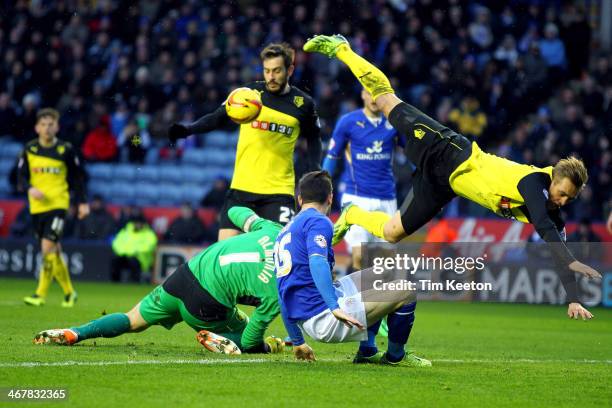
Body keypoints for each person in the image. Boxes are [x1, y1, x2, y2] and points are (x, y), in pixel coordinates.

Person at [303, 34, 601, 320]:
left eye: (568, 198)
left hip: (446, 185)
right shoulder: (534, 183)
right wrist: (569, 257)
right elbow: (545, 227)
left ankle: (353, 214)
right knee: (385, 99)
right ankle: (343, 49)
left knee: (392, 233)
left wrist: (573, 297)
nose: (562, 200)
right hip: (448, 150)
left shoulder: (551, 209)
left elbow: (555, 244)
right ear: (553, 178)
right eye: (561, 192)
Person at [34, 207, 284, 355]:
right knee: (249, 335)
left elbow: (233, 211)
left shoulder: (273, 230)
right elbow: (252, 341)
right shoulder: (278, 287)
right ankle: (223, 339)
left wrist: (251, 221)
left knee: (132, 320)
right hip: (207, 304)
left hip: (184, 275)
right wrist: (268, 345)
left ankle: (76, 332)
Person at [168, 42, 322, 241]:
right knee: (225, 257)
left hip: (279, 193)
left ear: (290, 70)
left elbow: (314, 139)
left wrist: (314, 169)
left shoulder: (304, 104)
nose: (271, 77)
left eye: (277, 71)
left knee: (276, 256)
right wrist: (188, 129)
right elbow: (217, 117)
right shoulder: (248, 94)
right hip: (241, 190)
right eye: (267, 71)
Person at [275, 171, 429, 366]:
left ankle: (367, 350)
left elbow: (282, 293)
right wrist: (334, 307)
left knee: (384, 273)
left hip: (312, 312)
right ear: (330, 197)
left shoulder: (285, 230)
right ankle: (395, 356)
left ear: (299, 199)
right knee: (406, 291)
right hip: (325, 315)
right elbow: (317, 261)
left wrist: (298, 341)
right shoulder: (319, 221)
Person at [323, 89, 404, 270]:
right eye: (370, 92)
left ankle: (369, 294)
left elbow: (413, 153)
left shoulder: (394, 122)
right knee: (360, 255)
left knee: (385, 261)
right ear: (363, 95)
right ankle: (356, 297)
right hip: (356, 197)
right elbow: (332, 157)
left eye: (378, 93)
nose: (374, 98)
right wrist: (322, 190)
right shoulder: (348, 122)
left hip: (387, 198)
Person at [17, 108, 89, 307]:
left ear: (57, 127)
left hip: (58, 204)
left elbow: (77, 178)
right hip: (37, 208)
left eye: (51, 125)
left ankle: (40, 294)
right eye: (43, 125)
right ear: (36, 128)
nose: (47, 128)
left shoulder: (65, 149)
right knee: (55, 251)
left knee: (47, 247)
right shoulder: (29, 149)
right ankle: (69, 292)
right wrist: (30, 188)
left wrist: (82, 202)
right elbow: (20, 176)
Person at [110, 212, 158, 282]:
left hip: (141, 260)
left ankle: (135, 282)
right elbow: (116, 244)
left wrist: (133, 252)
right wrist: (124, 252)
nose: (137, 224)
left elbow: (149, 247)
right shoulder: (125, 232)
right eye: (136, 222)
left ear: (143, 223)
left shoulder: (149, 234)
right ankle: (115, 282)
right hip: (124, 256)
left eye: (139, 223)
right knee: (115, 260)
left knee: (133, 261)